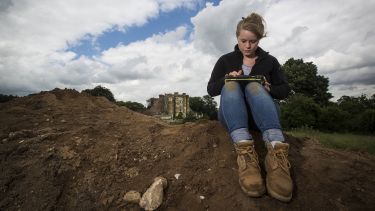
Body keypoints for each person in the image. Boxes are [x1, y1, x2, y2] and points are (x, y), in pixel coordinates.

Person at [207, 12, 292, 202]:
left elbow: (285, 90)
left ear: (259, 40)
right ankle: (246, 157)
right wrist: (227, 78)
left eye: (252, 41)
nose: (247, 46)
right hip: (232, 116)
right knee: (230, 85)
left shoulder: (270, 61)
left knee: (255, 85)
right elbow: (211, 89)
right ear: (237, 38)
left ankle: (277, 155)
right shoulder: (225, 60)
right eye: (243, 40)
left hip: (262, 116)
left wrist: (269, 87)